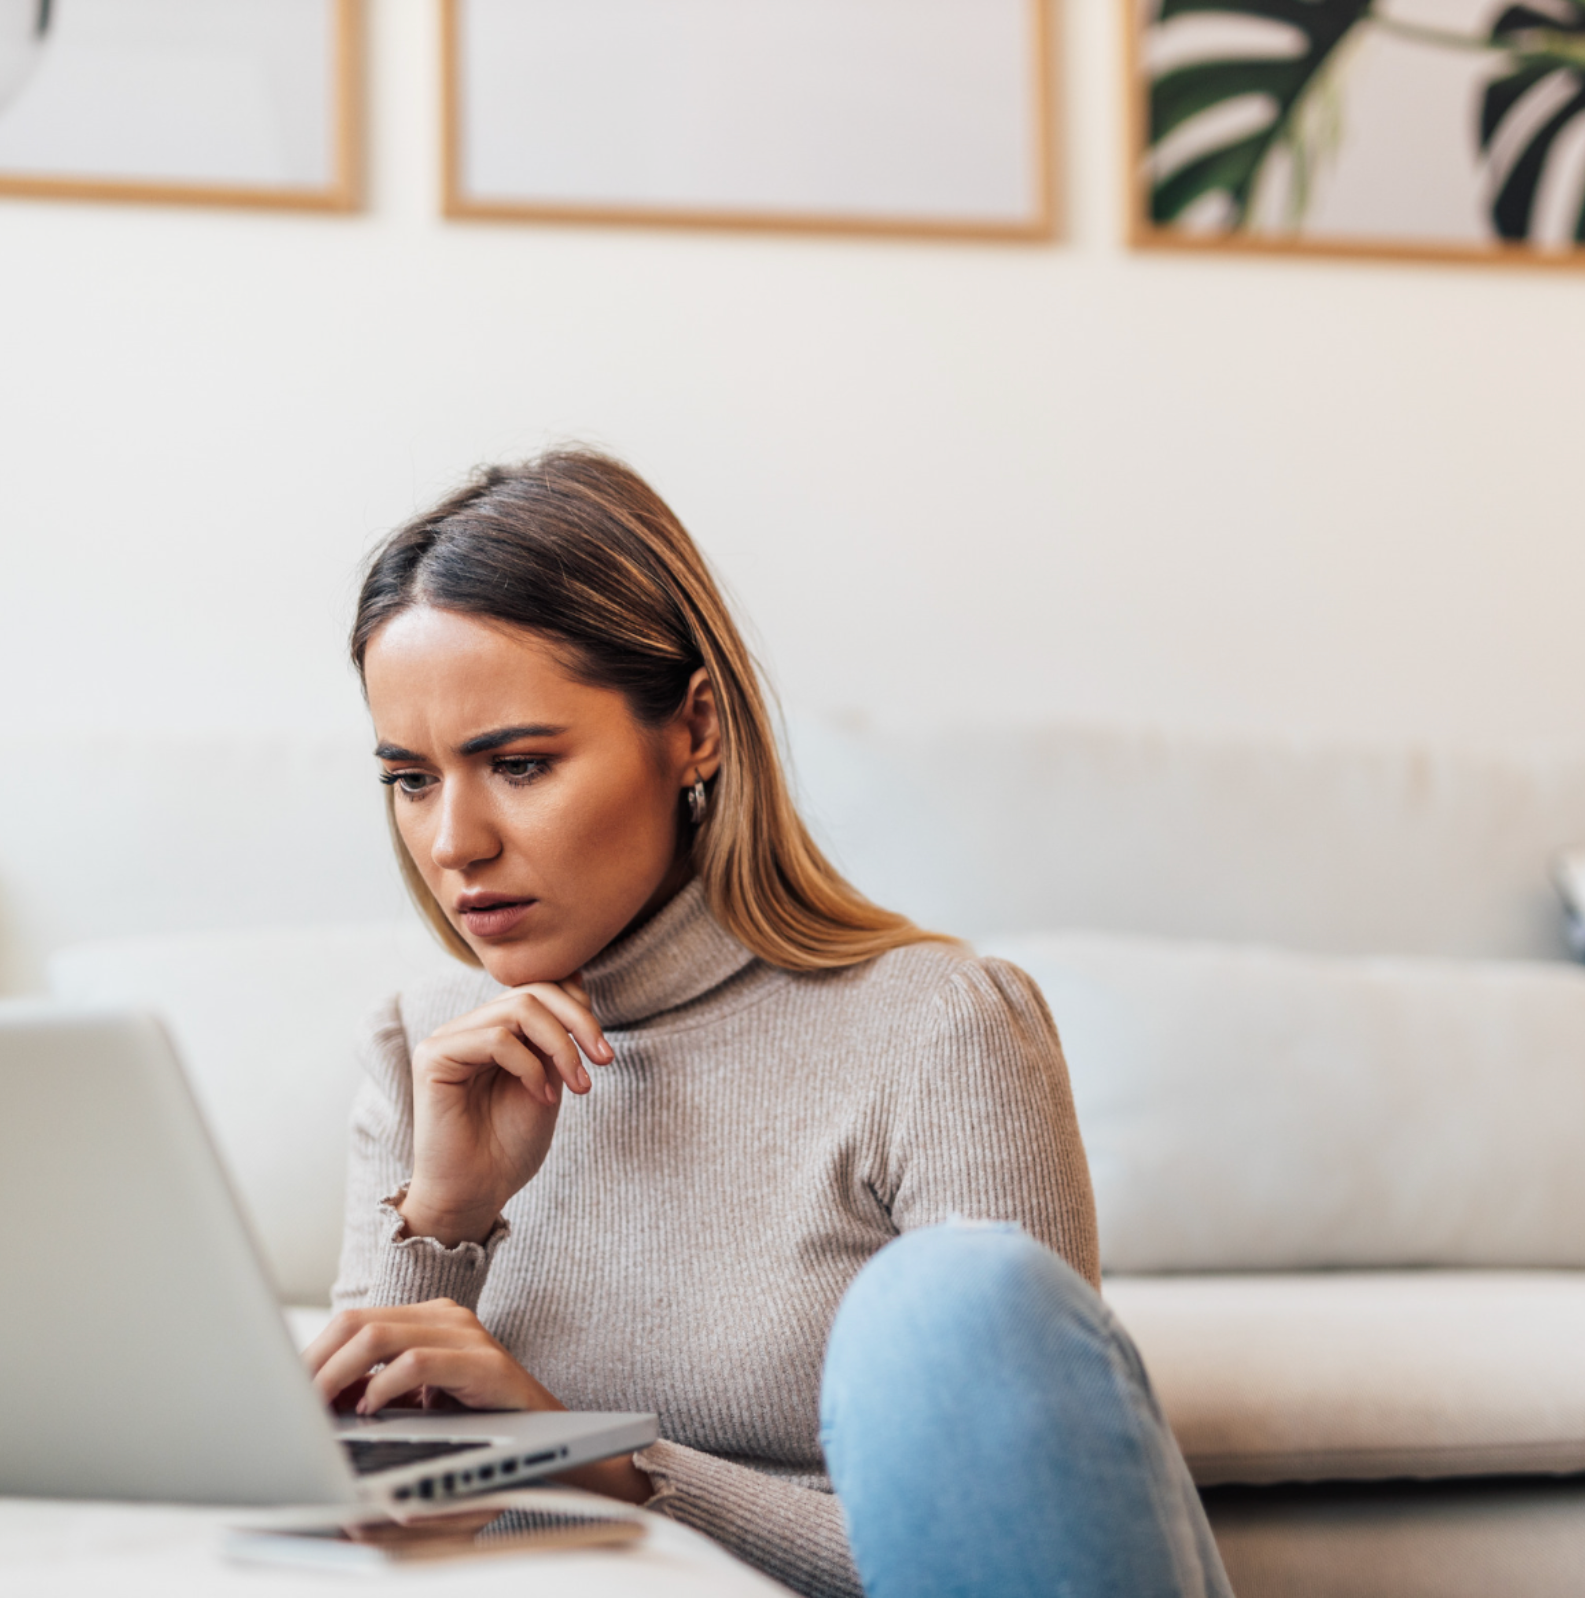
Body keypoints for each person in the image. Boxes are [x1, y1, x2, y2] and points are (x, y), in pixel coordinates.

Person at [304, 452, 1231, 1598]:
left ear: (694, 728)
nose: (454, 842)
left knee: (960, 1299)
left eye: (521, 764)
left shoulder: (940, 1029)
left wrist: (596, 1454)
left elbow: (994, 1554)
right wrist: (442, 1224)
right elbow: (364, 1537)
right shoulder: (421, 1049)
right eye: (411, 778)